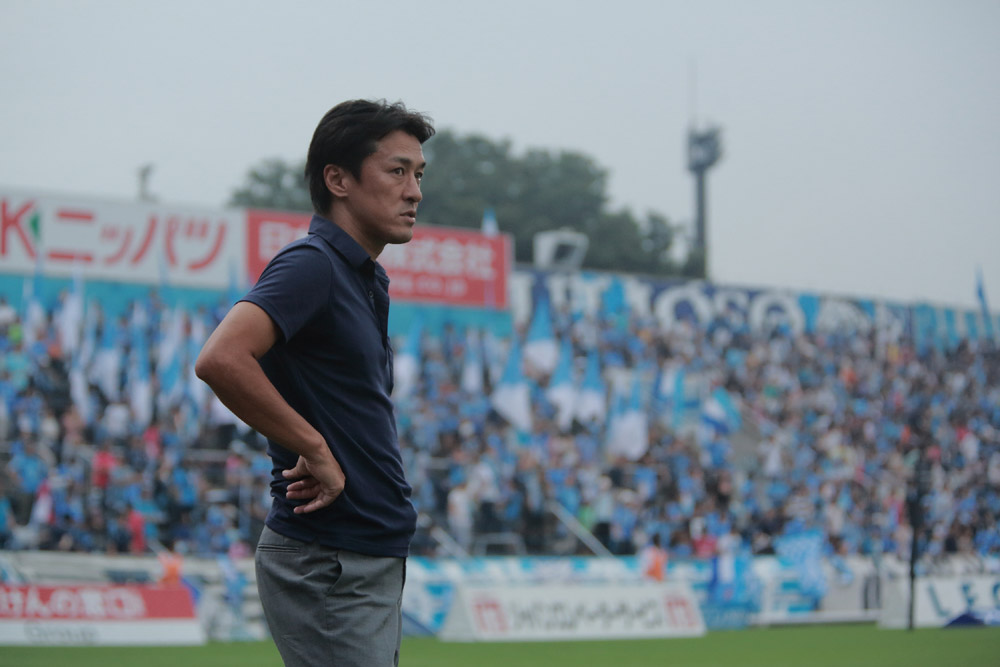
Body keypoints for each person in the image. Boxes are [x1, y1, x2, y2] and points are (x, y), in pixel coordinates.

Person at [196, 99, 434, 666]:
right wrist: (314, 446)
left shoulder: (364, 277)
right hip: (329, 558)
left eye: (419, 174)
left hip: (361, 553)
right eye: (397, 171)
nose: (415, 192)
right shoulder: (313, 264)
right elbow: (221, 358)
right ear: (338, 180)